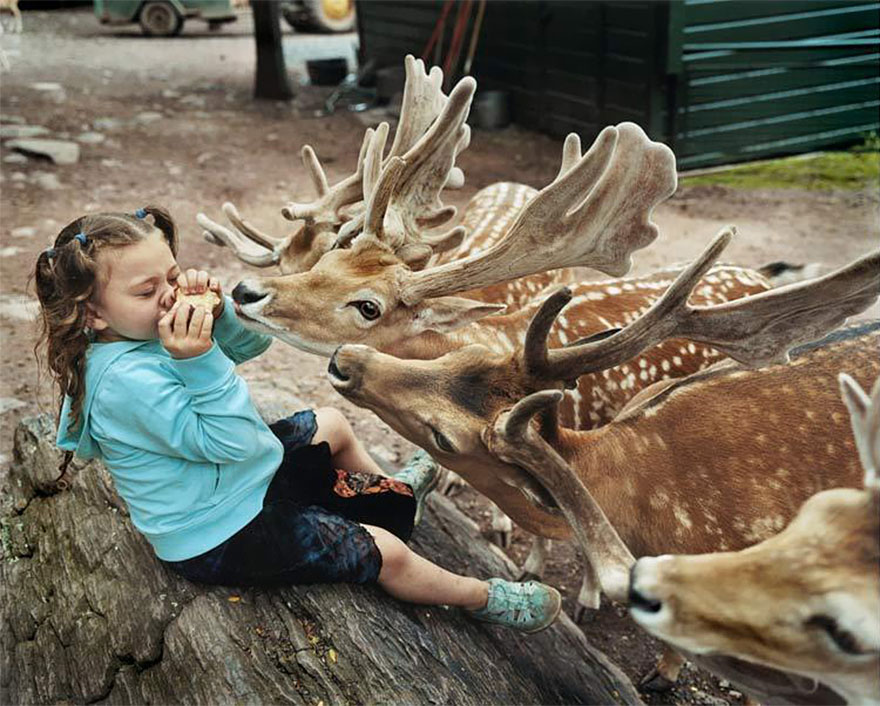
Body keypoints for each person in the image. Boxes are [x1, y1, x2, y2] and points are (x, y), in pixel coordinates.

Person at [32, 206, 562, 634]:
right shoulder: (126, 384)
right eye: (147, 292)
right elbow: (234, 441)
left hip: (237, 476)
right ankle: (479, 598)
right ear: (92, 315)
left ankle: (396, 496)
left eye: (172, 274)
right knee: (387, 554)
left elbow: (252, 345)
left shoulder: (147, 333)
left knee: (331, 421)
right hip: (220, 530)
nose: (170, 293)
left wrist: (221, 317)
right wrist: (199, 362)